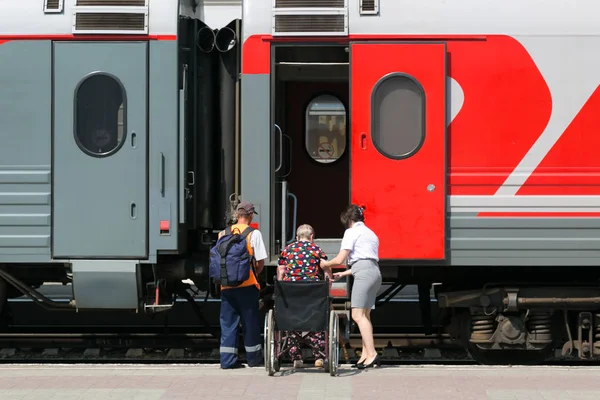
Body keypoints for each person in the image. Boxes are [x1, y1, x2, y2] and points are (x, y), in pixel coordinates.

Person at [320, 205, 382, 369]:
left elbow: (340, 259)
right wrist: (345, 274)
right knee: (366, 315)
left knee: (357, 315)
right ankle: (364, 355)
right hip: (374, 273)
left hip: (363, 274)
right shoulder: (371, 233)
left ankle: (372, 354)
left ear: (348, 220)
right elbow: (366, 261)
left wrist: (326, 263)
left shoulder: (351, 232)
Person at [218, 201, 268, 369]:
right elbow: (260, 262)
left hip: (226, 286)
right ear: (251, 215)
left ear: (236, 215)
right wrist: (253, 274)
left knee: (228, 323)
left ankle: (227, 361)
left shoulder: (222, 233)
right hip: (247, 286)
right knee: (250, 322)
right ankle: (253, 359)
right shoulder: (254, 234)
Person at [277, 224, 332, 369]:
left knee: (292, 321)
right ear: (312, 237)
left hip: (291, 294)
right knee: (317, 318)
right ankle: (319, 357)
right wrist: (328, 288)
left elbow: (281, 271)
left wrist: (282, 288)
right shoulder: (316, 250)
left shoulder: (287, 250)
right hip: (312, 293)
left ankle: (296, 358)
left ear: (297, 237)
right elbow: (326, 271)